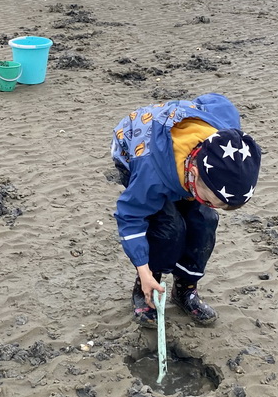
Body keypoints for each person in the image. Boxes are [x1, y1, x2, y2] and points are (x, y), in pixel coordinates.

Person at [110, 93, 261, 327]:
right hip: (137, 150)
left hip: (184, 165)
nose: (214, 206)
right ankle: (148, 284)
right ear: (195, 175)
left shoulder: (225, 139)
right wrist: (143, 269)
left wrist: (205, 202)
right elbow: (130, 217)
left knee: (205, 221)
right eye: (210, 200)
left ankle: (185, 289)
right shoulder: (150, 173)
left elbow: (218, 102)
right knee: (169, 228)